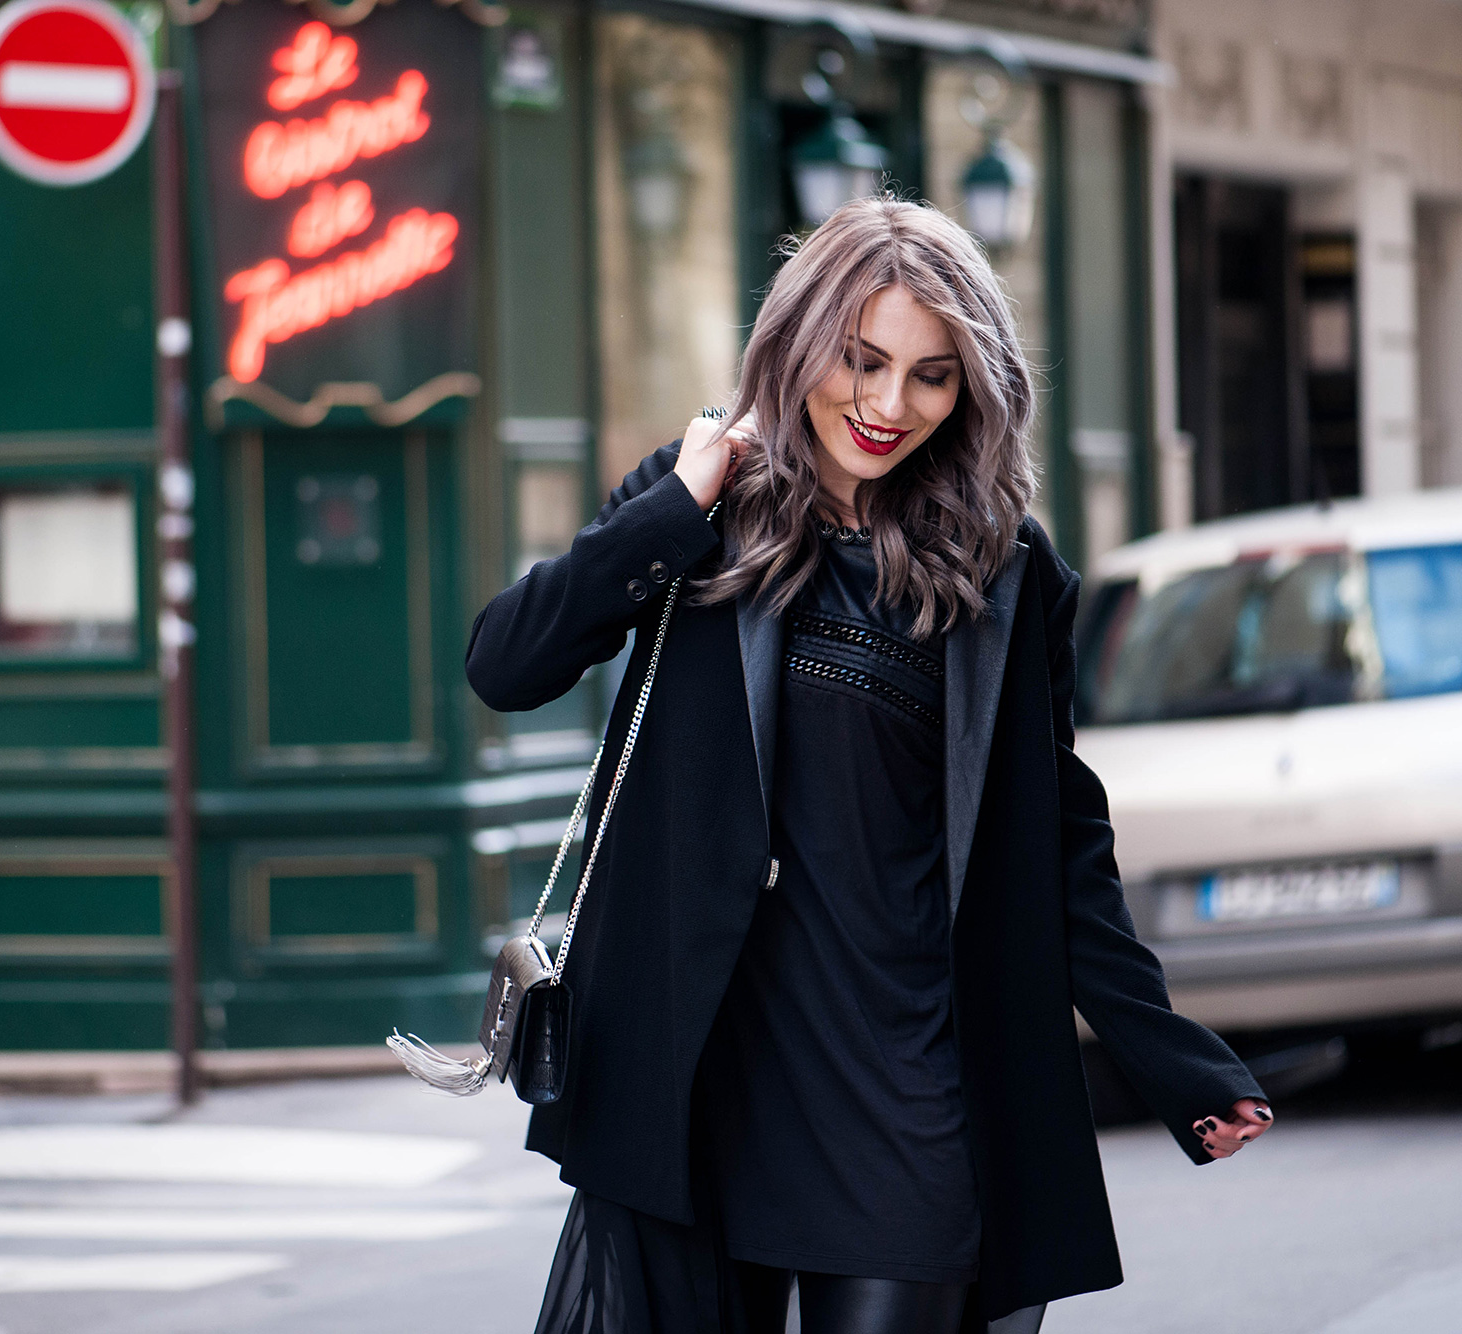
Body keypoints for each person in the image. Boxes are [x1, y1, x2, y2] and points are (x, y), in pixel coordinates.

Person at [464, 197, 1274, 1334]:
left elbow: (1057, 842)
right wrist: (674, 503)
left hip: (899, 1073)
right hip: (698, 1065)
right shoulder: (699, 509)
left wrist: (1170, 1055)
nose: (890, 405)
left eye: (932, 375)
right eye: (861, 360)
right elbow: (507, 664)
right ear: (798, 341)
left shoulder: (1000, 570)